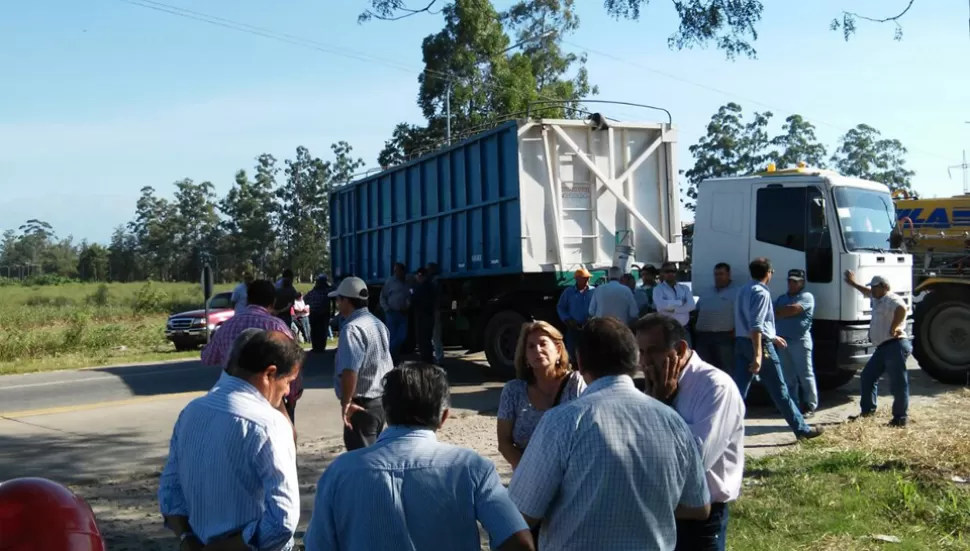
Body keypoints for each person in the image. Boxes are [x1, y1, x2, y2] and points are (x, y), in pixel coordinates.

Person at [507, 317, 711, 551]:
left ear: (580, 363)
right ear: (635, 361)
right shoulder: (673, 421)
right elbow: (699, 507)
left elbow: (521, 514)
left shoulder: (562, 422)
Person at [305, 362, 534, 551]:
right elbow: (520, 542)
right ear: (444, 417)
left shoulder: (340, 472)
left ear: (385, 410)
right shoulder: (471, 467)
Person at [159, 330, 303, 551]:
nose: (286, 392)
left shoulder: (191, 411)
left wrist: (186, 539)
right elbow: (282, 522)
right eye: (288, 382)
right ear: (270, 373)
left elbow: (170, 492)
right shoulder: (269, 424)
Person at [633, 314, 745, 551]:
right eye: (641, 352)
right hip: (659, 510)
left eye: (653, 351)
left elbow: (696, 461)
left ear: (680, 349)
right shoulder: (654, 386)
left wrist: (663, 407)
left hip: (701, 517)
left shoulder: (715, 387)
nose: (645, 362)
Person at [733, 258, 823, 440]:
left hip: (742, 342)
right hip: (759, 345)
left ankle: (725, 431)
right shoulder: (761, 293)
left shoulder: (743, 290)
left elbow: (749, 322)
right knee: (780, 391)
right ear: (768, 273)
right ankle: (802, 429)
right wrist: (758, 354)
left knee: (739, 391)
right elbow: (756, 325)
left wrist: (773, 336)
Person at [201, 280, 302, 426]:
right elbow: (293, 364)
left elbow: (207, 358)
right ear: (273, 302)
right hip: (271, 401)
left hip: (232, 401)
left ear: (248, 299)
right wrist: (291, 396)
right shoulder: (276, 327)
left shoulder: (227, 325)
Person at [331, 276, 395, 451]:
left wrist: (346, 402)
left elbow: (350, 370)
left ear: (346, 301)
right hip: (381, 400)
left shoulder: (352, 329)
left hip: (362, 404)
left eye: (338, 299)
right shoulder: (378, 324)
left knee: (363, 459)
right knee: (374, 453)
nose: (337, 304)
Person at [844, 271, 911, 426]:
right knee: (867, 376)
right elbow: (867, 292)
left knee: (898, 384)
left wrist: (894, 326)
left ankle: (900, 419)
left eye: (875, 287)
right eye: (872, 288)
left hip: (895, 345)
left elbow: (901, 308)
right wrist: (853, 283)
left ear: (884, 287)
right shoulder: (878, 299)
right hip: (883, 347)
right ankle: (867, 412)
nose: (872, 290)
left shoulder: (890, 299)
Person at [775, 269, 818, 417]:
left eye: (795, 281)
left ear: (802, 282)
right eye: (790, 281)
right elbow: (772, 312)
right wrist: (781, 311)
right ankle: (792, 406)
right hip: (783, 342)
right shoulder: (781, 298)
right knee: (788, 377)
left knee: (805, 375)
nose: (792, 284)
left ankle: (810, 406)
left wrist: (781, 312)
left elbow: (793, 310)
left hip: (800, 342)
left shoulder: (807, 297)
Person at [694, 262, 738, 373]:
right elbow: (697, 310)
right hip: (704, 337)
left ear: (729, 274)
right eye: (716, 274)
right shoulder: (706, 291)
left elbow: (742, 314)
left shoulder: (738, 292)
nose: (718, 277)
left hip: (724, 337)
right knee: (702, 369)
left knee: (726, 369)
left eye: (721, 274)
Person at [555, 268, 595, 361]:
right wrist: (566, 319)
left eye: (588, 278)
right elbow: (560, 307)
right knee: (572, 352)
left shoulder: (594, 291)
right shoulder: (569, 292)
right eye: (584, 278)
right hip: (574, 327)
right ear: (577, 279)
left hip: (589, 326)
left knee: (589, 351)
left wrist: (594, 318)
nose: (587, 280)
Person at [653, 262, 696, 344]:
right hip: (667, 330)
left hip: (684, 329)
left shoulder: (685, 288)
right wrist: (680, 302)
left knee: (688, 354)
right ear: (662, 273)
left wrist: (674, 310)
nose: (670, 273)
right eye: (667, 271)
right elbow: (661, 305)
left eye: (673, 271)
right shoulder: (658, 289)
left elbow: (691, 306)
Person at [380, 262, 411, 362]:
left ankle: (386, 353)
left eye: (397, 270)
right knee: (392, 336)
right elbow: (383, 296)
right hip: (392, 313)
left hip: (403, 313)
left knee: (402, 336)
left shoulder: (407, 282)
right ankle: (391, 358)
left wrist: (407, 306)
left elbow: (409, 297)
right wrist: (387, 309)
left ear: (402, 271)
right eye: (394, 270)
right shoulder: (390, 282)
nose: (395, 272)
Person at [411, 267, 437, 364]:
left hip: (422, 317)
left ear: (420, 275)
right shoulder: (431, 286)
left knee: (423, 340)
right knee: (427, 340)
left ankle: (425, 360)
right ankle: (428, 359)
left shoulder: (422, 287)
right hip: (428, 317)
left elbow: (415, 300)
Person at [304, 274, 333, 353]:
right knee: (323, 330)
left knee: (314, 330)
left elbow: (305, 299)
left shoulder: (312, 292)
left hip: (313, 313)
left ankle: (315, 347)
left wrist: (311, 303)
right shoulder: (327, 291)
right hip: (323, 314)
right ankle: (321, 347)